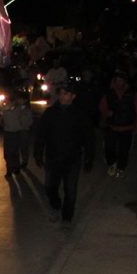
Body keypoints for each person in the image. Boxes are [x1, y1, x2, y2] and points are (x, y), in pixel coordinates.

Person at [35, 84, 94, 224]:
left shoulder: (80, 114)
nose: (62, 96)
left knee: (70, 189)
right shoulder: (50, 113)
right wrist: (38, 153)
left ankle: (67, 217)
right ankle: (56, 204)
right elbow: (41, 134)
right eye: (61, 93)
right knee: (50, 186)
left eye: (66, 94)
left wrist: (89, 158)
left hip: (72, 158)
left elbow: (89, 138)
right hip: (53, 157)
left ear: (73, 96)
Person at [99, 71, 137, 179]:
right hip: (112, 126)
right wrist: (106, 113)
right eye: (117, 80)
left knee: (124, 150)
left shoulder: (132, 94)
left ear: (125, 81)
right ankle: (112, 164)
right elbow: (102, 106)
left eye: (121, 80)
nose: (119, 82)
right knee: (109, 148)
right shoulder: (109, 93)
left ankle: (121, 168)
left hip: (127, 127)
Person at [0, 90, 33, 176]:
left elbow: (27, 121)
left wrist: (22, 127)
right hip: (7, 133)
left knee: (14, 152)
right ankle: (9, 168)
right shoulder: (4, 109)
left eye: (8, 101)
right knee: (7, 153)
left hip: (16, 132)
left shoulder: (19, 110)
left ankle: (16, 167)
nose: (6, 102)